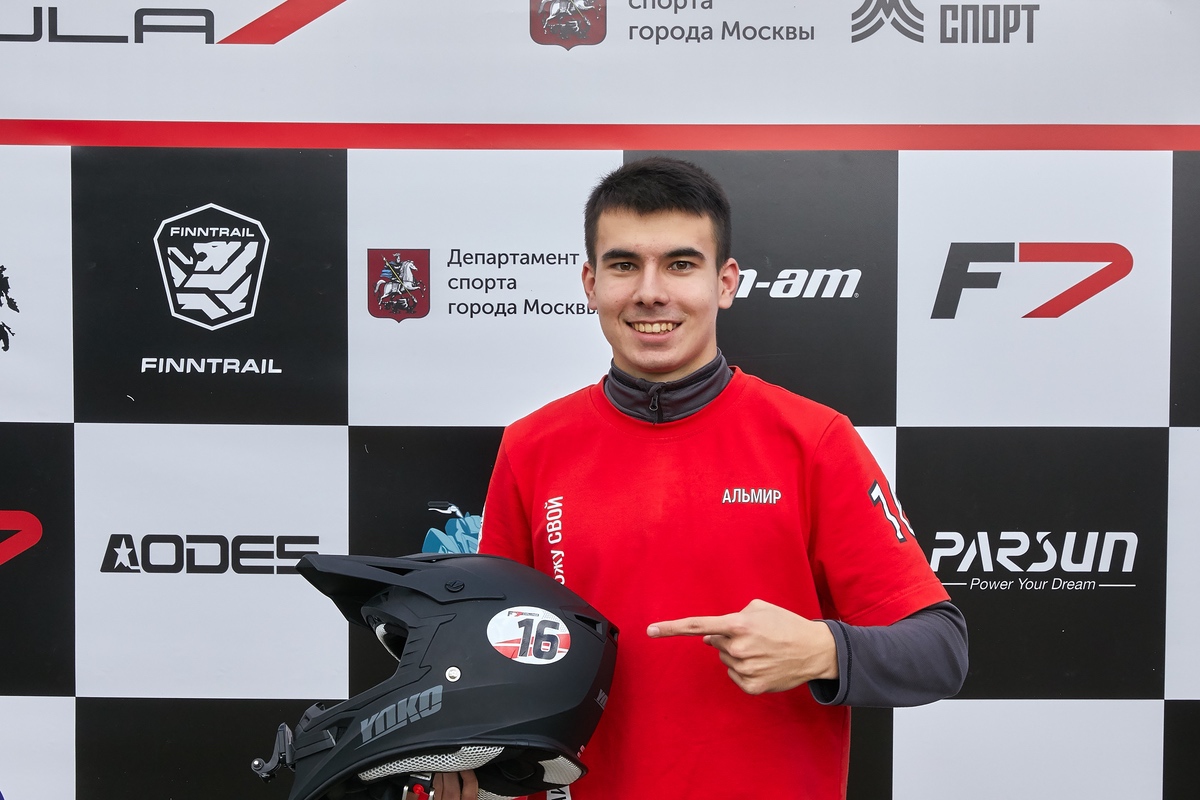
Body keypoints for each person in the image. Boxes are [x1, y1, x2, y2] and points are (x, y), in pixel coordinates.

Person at [438, 157, 968, 800]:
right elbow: (492, 660)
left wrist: (823, 650)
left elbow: (940, 652)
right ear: (590, 283)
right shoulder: (531, 446)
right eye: (624, 265)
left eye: (680, 265)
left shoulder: (814, 440)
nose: (650, 292)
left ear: (725, 283)